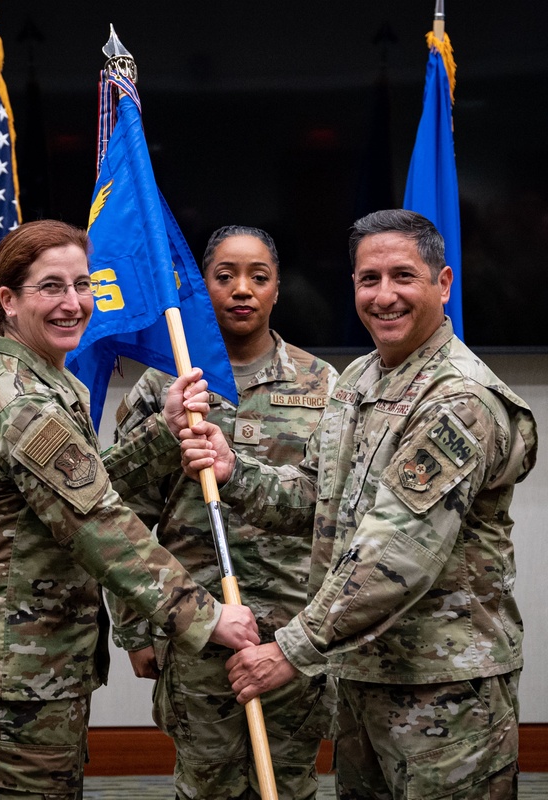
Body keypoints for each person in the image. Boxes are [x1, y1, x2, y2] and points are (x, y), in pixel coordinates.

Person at [180, 210, 538, 800]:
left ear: (443, 284)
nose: (384, 295)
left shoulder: (459, 400)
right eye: (369, 279)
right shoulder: (359, 381)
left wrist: (292, 649)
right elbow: (315, 500)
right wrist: (232, 470)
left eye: (404, 276)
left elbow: (397, 554)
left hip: (441, 688)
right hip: (359, 675)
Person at [0, 219, 259, 800]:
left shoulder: (39, 380)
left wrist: (164, 432)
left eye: (83, 285)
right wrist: (205, 616)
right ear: (8, 299)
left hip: (21, 663)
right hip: (12, 668)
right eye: (51, 287)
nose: (73, 303)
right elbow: (101, 526)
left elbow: (76, 488)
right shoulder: (24, 403)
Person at [103, 226, 338, 799]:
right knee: (206, 785)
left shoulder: (323, 384)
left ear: (277, 289)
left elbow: (334, 511)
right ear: (201, 286)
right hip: (197, 630)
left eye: (259, 277)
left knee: (288, 784)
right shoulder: (169, 387)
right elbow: (121, 514)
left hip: (290, 636)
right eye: (225, 275)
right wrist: (135, 631)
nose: (242, 289)